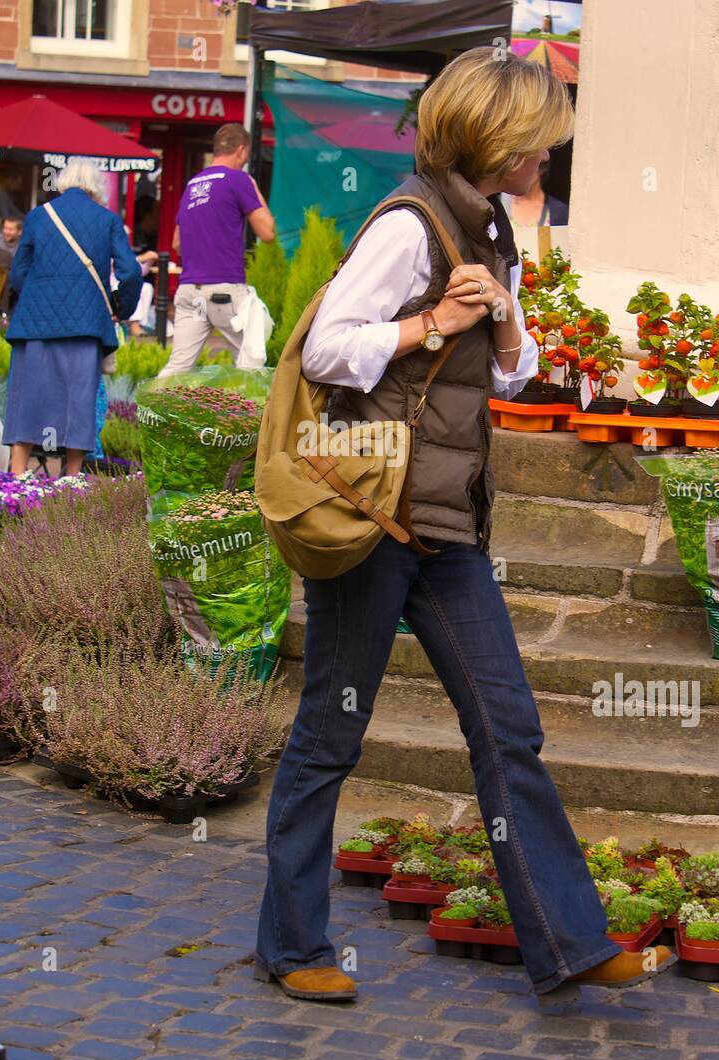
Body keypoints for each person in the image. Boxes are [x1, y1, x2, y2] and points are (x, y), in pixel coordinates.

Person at [253, 49, 675, 1006]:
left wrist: (505, 328)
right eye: (541, 143)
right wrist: (432, 323)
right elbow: (326, 345)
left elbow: (503, 377)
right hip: (372, 520)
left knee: (507, 729)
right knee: (331, 734)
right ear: (504, 139)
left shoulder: (492, 229)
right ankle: (290, 944)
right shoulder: (409, 226)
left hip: (447, 529)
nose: (548, 160)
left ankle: (568, 946)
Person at [3, 157, 142, 478]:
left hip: (34, 322)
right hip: (86, 323)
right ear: (96, 188)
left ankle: (17, 472)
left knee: (28, 395)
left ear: (63, 182)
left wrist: (36, 297)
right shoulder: (107, 220)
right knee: (78, 398)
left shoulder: (39, 216)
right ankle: (72, 476)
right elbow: (131, 272)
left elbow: (18, 271)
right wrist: (121, 307)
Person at [156, 122, 276, 378]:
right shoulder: (238, 180)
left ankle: (147, 414)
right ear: (242, 150)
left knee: (177, 368)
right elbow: (267, 233)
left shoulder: (192, 185)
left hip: (191, 295)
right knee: (250, 366)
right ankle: (253, 418)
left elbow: (177, 242)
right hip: (224, 295)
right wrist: (253, 189)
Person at [500, 157, 568, 226]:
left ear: (541, 169)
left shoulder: (558, 209)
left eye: (525, 167)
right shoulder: (499, 203)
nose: (518, 172)